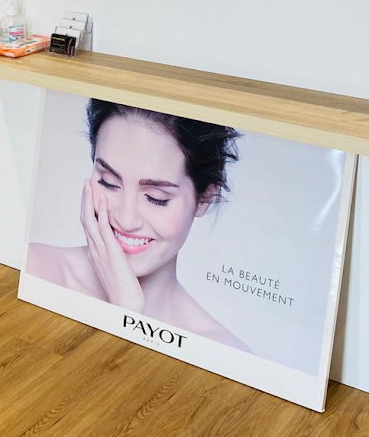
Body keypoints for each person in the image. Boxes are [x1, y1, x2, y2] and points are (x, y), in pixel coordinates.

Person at [27, 99, 250, 351]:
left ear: (204, 199)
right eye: (109, 182)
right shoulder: (35, 267)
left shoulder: (223, 351)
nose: (126, 219)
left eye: (156, 198)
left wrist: (125, 312)